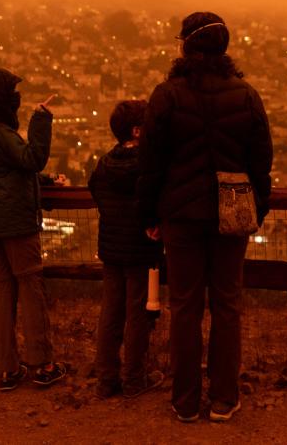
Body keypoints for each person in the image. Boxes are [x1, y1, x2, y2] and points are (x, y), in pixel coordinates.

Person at [137, 12, 273, 423]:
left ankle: (185, 400)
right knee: (228, 304)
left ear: (185, 47)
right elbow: (261, 163)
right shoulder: (246, 96)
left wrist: (150, 214)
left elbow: (150, 165)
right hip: (232, 215)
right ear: (224, 49)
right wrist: (256, 211)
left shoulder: (167, 96)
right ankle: (224, 398)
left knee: (185, 307)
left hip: (180, 215)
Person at [0, 67, 67, 391]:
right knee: (30, 289)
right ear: (1, 99)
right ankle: (43, 363)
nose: (16, 98)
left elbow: (8, 173)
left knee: (2, 291)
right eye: (11, 92)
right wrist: (41, 121)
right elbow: (32, 158)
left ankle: (7, 368)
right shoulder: (0, 132)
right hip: (15, 222)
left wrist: (45, 184)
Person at [88, 99, 165, 399]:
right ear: (136, 131)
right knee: (138, 316)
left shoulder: (104, 165)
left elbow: (97, 194)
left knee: (110, 313)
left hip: (111, 249)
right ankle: (134, 378)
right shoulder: (148, 167)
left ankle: (106, 379)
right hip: (141, 250)